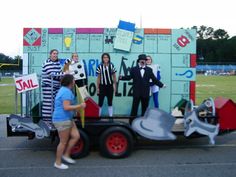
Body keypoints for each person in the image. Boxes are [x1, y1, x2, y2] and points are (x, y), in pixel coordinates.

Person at [52, 74, 86, 170]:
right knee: (63, 142)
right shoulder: (66, 92)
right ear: (70, 82)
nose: (75, 81)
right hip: (62, 119)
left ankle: (66, 155)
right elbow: (66, 107)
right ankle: (57, 163)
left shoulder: (67, 91)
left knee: (76, 136)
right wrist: (80, 106)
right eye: (73, 79)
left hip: (68, 118)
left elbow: (71, 104)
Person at [120, 54, 165, 124]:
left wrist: (161, 85)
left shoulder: (149, 70)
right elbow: (129, 77)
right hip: (136, 92)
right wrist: (122, 77)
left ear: (145, 61)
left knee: (144, 109)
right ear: (139, 61)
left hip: (145, 93)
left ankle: (143, 123)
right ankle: (131, 123)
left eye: (144, 60)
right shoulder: (134, 69)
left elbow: (154, 80)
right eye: (141, 60)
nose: (142, 61)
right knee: (134, 108)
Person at [41, 49, 67, 122]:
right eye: (54, 53)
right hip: (48, 86)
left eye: (56, 54)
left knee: (57, 104)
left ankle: (55, 120)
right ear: (50, 54)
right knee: (48, 104)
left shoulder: (59, 63)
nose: (55, 55)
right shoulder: (46, 63)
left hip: (57, 86)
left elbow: (67, 62)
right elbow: (53, 75)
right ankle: (47, 121)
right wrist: (65, 74)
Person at [96, 53, 117, 117]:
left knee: (110, 102)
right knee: (100, 102)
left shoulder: (111, 66)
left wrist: (114, 86)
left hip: (110, 86)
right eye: (104, 57)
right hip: (102, 86)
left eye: (107, 57)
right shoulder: (99, 66)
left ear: (109, 58)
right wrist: (98, 88)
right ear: (102, 58)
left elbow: (114, 77)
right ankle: (98, 116)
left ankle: (110, 117)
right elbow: (98, 78)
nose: (105, 58)